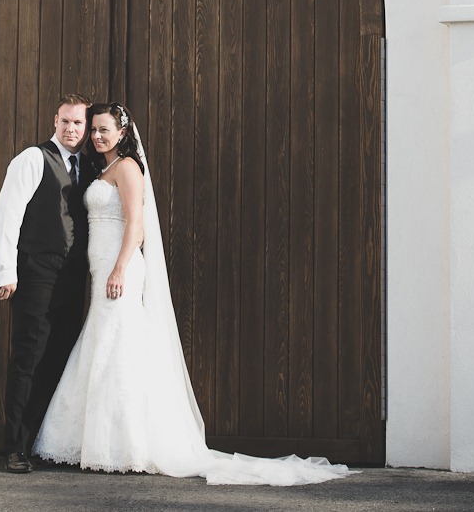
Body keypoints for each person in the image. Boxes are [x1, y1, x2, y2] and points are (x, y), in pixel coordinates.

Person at [34, 102, 351, 486]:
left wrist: (119, 268)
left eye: (105, 130)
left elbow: (137, 224)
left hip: (119, 271)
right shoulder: (106, 169)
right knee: (105, 342)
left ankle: (125, 444)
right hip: (102, 268)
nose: (98, 136)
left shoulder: (129, 169)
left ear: (122, 132)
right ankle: (98, 441)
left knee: (117, 344)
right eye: (95, 130)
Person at [0, 93, 95, 473]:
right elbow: (7, 215)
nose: (71, 129)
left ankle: (37, 441)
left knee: (57, 359)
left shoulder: (86, 167)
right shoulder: (33, 159)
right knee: (27, 358)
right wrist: (5, 272)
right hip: (36, 274)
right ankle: (14, 447)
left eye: (78, 123)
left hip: (71, 280)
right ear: (55, 121)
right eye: (66, 121)